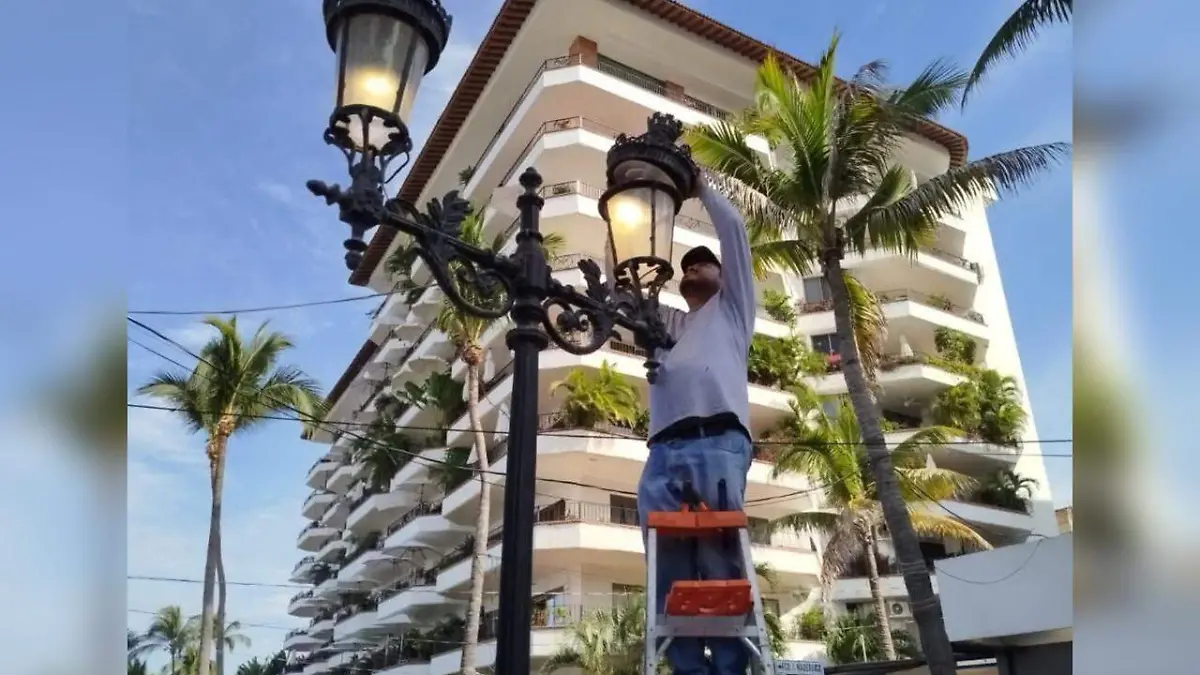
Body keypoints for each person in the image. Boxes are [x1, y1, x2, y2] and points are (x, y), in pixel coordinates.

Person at [638, 174, 756, 675]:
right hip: (662, 450)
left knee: (719, 557)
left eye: (701, 262)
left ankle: (730, 668)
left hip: (718, 439)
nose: (691, 269)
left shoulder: (733, 310)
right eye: (685, 266)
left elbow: (733, 230)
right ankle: (687, 667)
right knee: (667, 561)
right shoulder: (666, 324)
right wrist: (625, 216)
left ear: (722, 275)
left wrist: (698, 186)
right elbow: (622, 289)